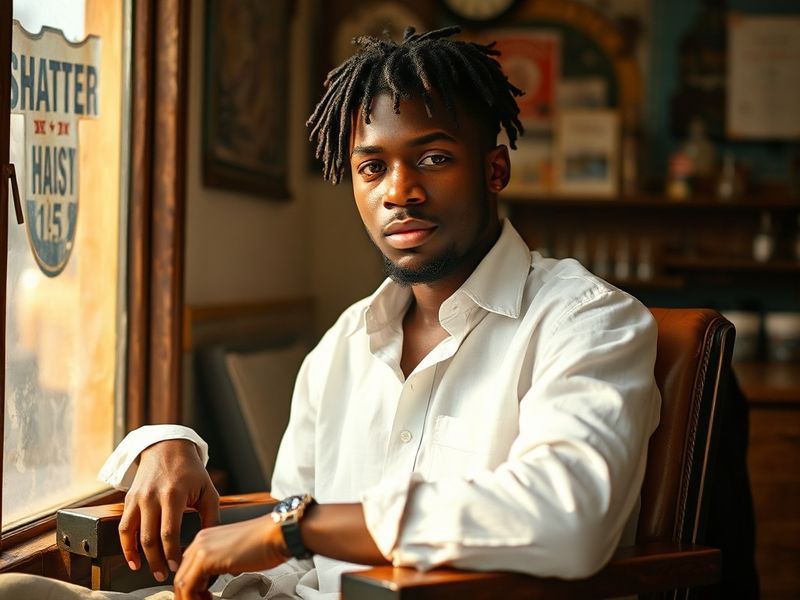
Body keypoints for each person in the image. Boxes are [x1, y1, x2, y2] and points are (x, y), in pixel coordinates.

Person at [0, 26, 660, 600]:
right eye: (372, 168)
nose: (399, 191)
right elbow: (294, 557)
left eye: (433, 158)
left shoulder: (588, 322)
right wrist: (167, 444)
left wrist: (298, 526)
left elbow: (568, 516)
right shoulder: (344, 343)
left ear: (494, 170)